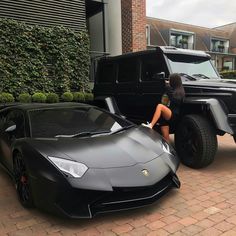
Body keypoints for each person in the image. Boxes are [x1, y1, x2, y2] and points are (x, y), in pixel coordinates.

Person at [142, 73, 185, 142]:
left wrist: (167, 87)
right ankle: (169, 150)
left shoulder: (179, 91)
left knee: (160, 106)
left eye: (170, 80)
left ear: (173, 81)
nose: (169, 81)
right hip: (167, 115)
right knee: (166, 137)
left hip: (174, 114)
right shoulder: (172, 89)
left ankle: (151, 125)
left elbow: (174, 100)